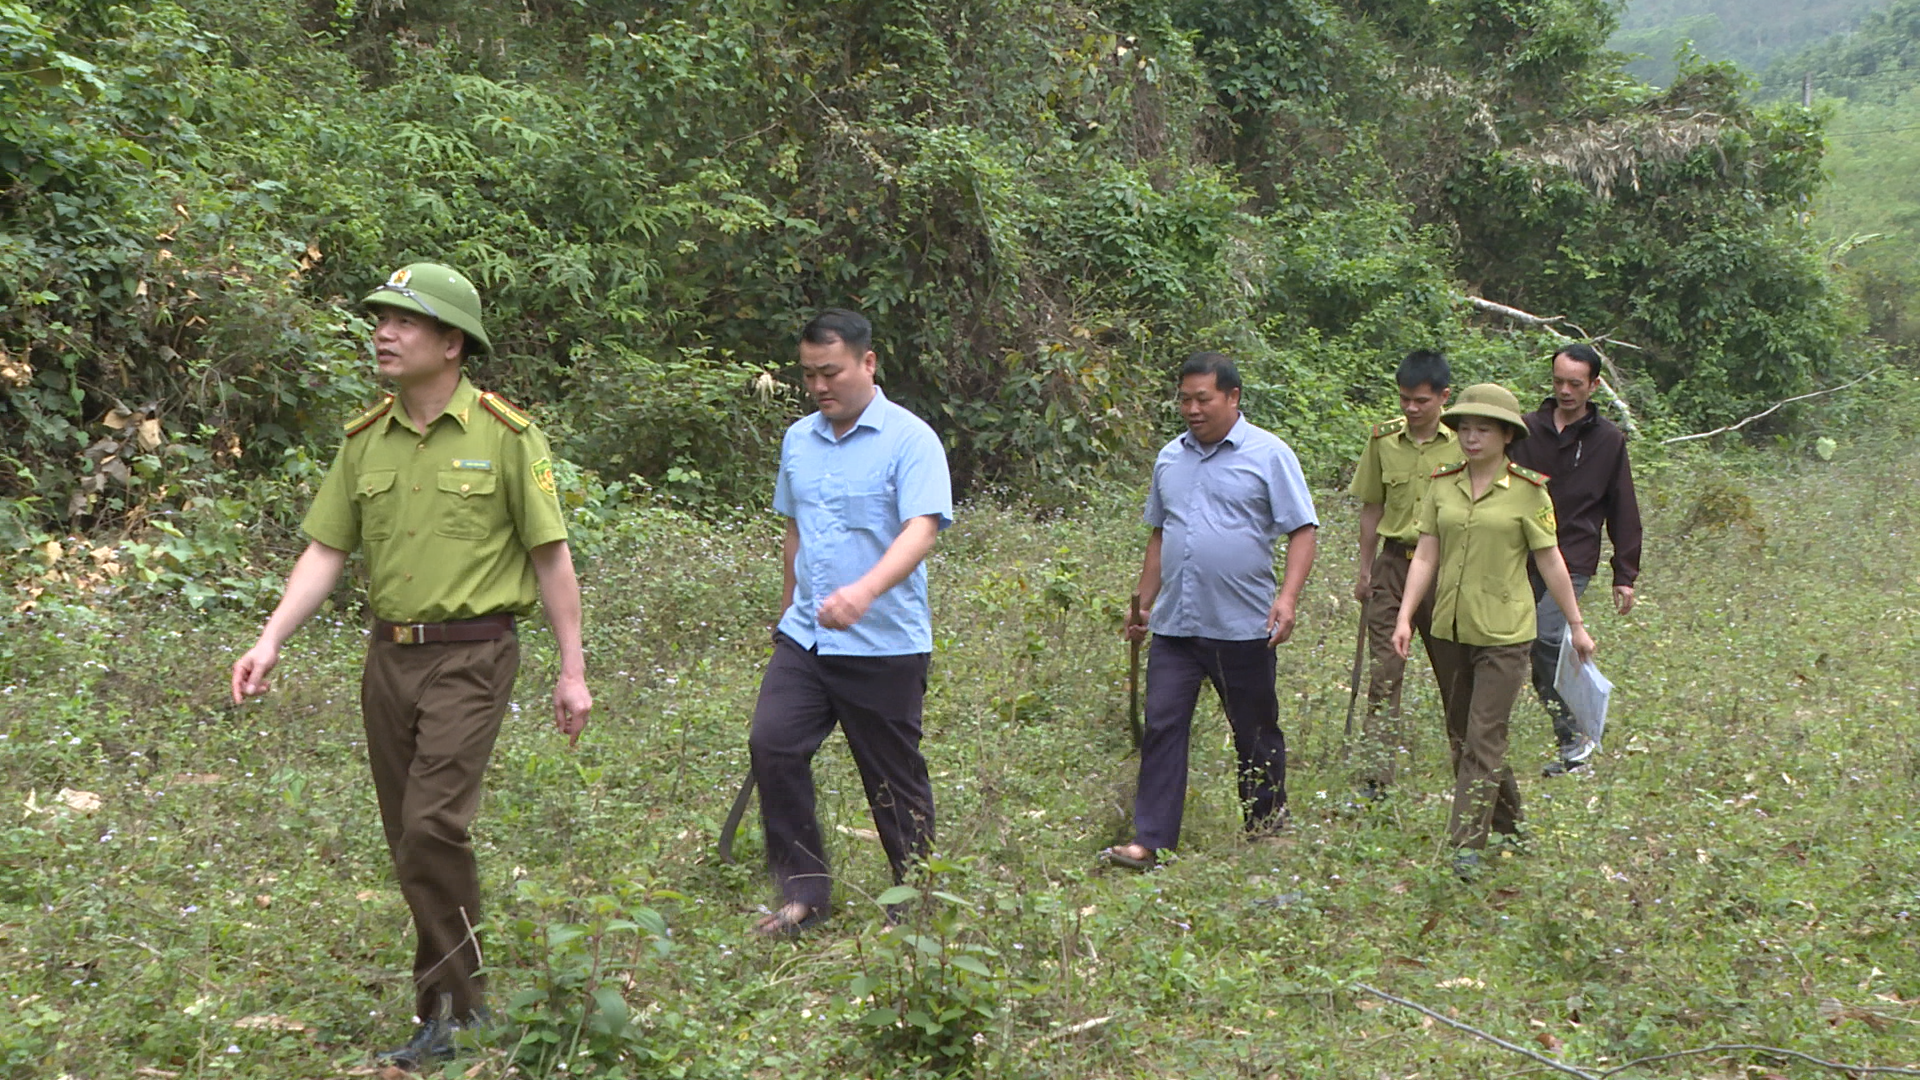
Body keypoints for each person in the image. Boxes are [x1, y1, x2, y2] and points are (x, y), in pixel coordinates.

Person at [230, 263, 592, 1070]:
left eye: (405, 321)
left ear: (452, 343)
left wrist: (573, 670)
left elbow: (551, 558)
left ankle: (459, 1012)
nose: (384, 333)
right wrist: (271, 637)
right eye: (380, 319)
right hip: (387, 659)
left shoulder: (505, 435)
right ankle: (451, 1004)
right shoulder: (366, 441)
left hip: (474, 655)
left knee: (433, 827)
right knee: (407, 837)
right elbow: (326, 549)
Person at [747, 308, 952, 937]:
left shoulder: (910, 439)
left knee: (891, 778)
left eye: (830, 372)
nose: (819, 387)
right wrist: (788, 606)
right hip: (806, 638)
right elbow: (795, 529)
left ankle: (911, 902)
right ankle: (803, 894)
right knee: (773, 744)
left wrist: (864, 591)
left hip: (883, 642)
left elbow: (922, 528)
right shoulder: (798, 441)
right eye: (808, 375)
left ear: (867, 363)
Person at [1101, 352, 1318, 871]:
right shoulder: (1169, 459)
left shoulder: (1268, 454)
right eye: (1184, 399)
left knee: (1255, 727)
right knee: (1163, 725)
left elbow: (1302, 530)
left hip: (1242, 624)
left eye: (1204, 398)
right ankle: (1151, 841)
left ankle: (1266, 826)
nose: (1193, 409)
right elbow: (1161, 533)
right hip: (1176, 624)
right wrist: (1143, 602)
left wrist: (1286, 600)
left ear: (1233, 397)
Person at [1391, 384, 1594, 879]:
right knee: (1461, 734)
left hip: (1505, 631)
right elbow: (1426, 554)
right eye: (1464, 428)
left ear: (1507, 435)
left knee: (1485, 734)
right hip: (1450, 627)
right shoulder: (1443, 483)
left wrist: (1576, 625)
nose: (1471, 437)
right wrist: (1404, 615)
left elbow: (1550, 559)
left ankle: (1465, 846)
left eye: (1483, 428)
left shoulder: (1529, 490)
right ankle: (1513, 826)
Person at [1505, 343, 1641, 776]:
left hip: (1575, 555)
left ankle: (1575, 736)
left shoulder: (1608, 441)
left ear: (1594, 385)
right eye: (1558, 381)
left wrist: (1626, 573)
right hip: (1520, 553)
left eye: (1575, 384)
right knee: (1521, 642)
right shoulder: (1525, 431)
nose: (1565, 391)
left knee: (1546, 638)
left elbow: (1623, 505)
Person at [1347, 350, 1461, 797]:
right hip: (1393, 564)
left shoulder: (1463, 441)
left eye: (1421, 401)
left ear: (1443, 397)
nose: (1411, 409)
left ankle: (1468, 765)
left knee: (1453, 672)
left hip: (1445, 566)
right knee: (1385, 671)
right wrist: (1364, 570)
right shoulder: (1383, 441)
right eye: (1404, 400)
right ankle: (1376, 778)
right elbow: (1371, 508)